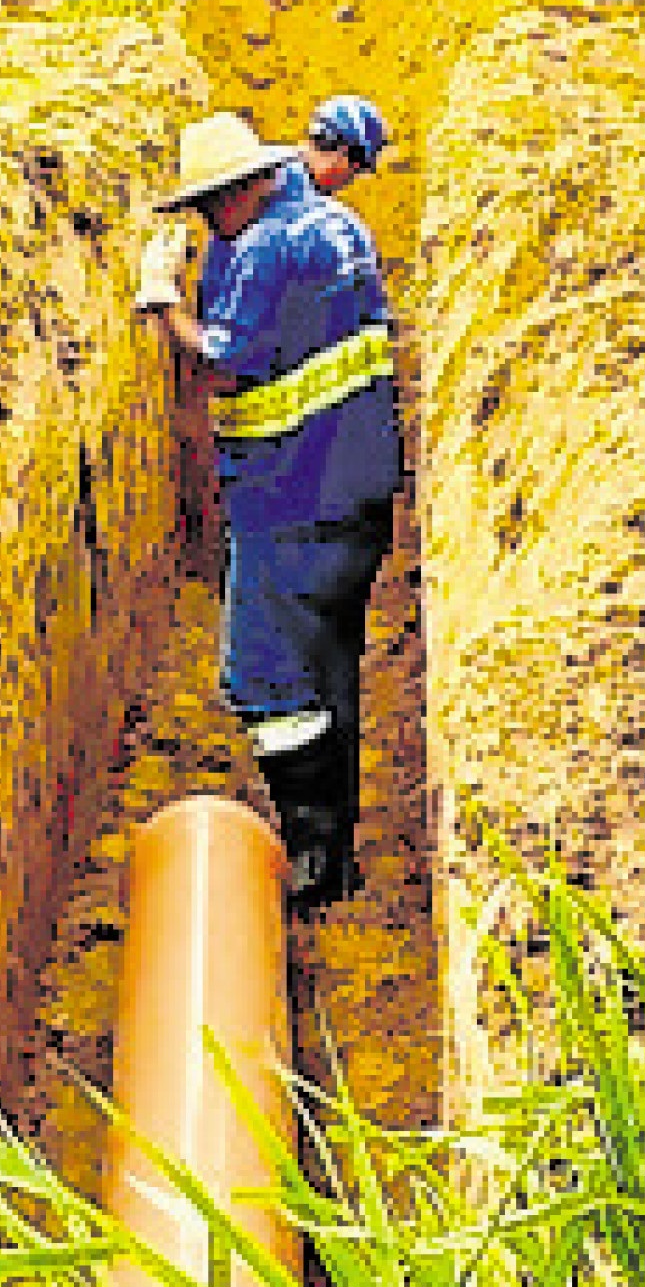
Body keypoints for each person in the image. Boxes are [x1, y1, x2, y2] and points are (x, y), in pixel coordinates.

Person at [136, 111, 403, 909]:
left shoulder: (262, 250)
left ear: (244, 187)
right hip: (357, 484)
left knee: (260, 678)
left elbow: (227, 365)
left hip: (290, 494)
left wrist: (162, 306)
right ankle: (337, 855)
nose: (206, 222)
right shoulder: (337, 225)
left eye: (208, 206)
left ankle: (314, 854)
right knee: (331, 667)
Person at [301, 92, 390, 197]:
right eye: (356, 158)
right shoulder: (280, 169)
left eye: (362, 166)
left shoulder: (330, 211)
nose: (354, 174)